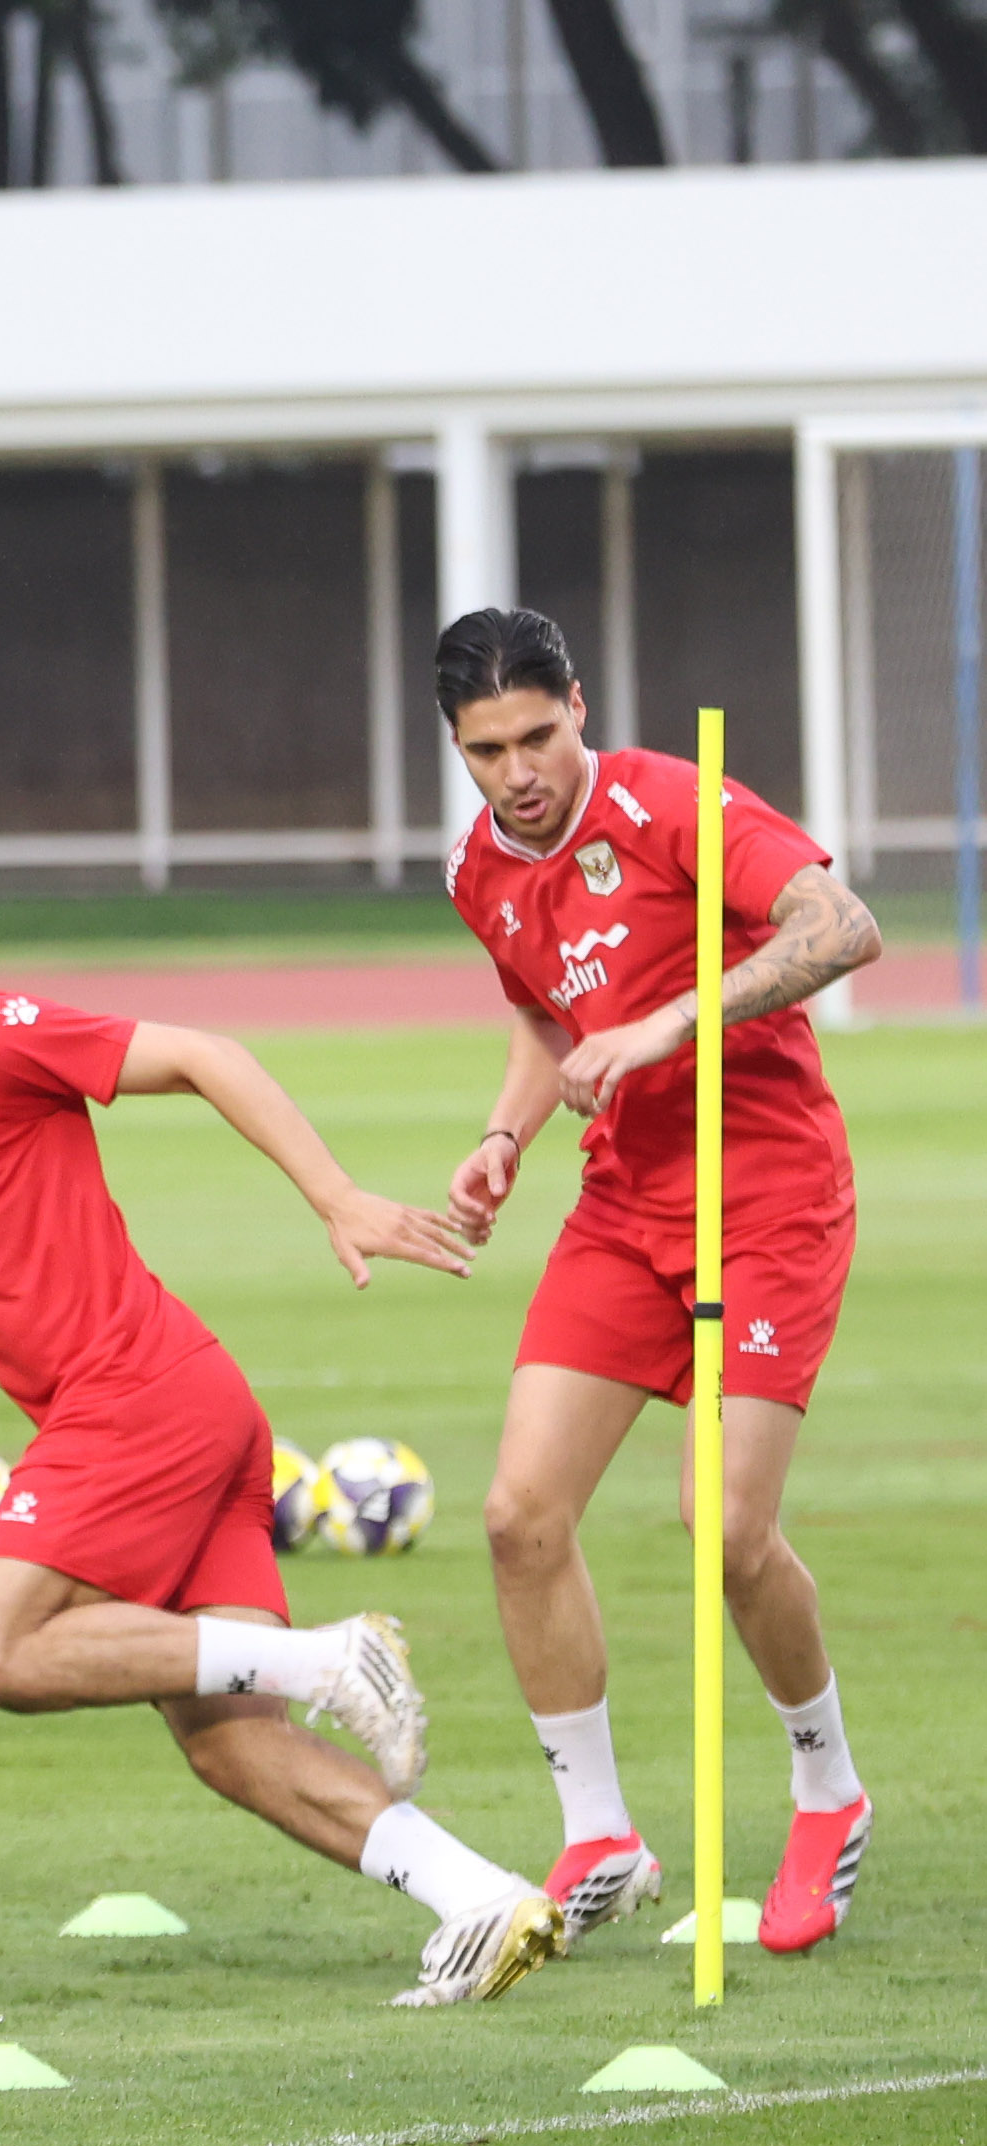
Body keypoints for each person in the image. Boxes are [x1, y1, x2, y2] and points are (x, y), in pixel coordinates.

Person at [0, 840, 566, 2008]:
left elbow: (203, 1053)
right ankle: (479, 1896)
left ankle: (332, 1655)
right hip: (187, 1410)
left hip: (138, 1400)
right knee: (229, 1738)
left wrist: (337, 1198)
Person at [432, 608, 886, 1955]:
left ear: (578, 704)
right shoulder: (478, 871)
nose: (517, 771)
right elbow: (538, 1011)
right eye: (484, 750)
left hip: (766, 1196)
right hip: (625, 1205)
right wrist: (503, 1136)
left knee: (724, 1529)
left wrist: (669, 1017)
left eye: (537, 735)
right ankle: (601, 1836)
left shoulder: (669, 803)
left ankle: (827, 1789)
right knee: (519, 1513)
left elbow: (842, 925)